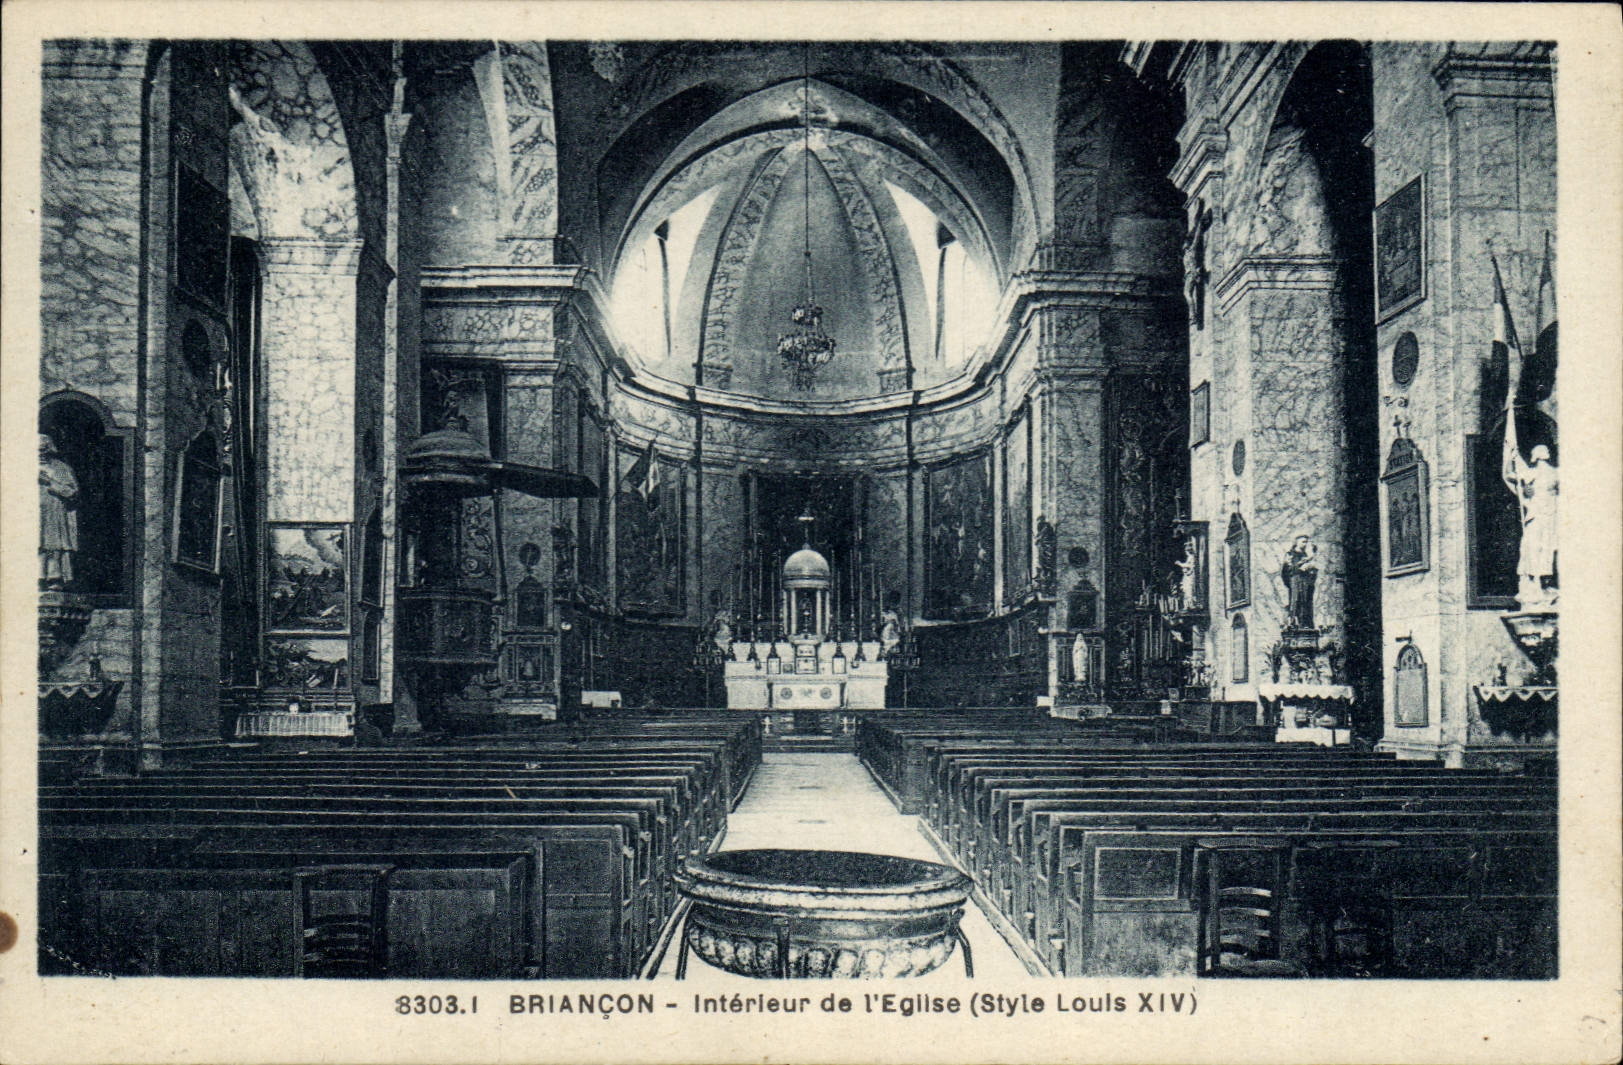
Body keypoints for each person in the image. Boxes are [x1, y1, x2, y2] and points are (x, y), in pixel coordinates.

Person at [39, 434, 79, 587]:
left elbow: (72, 493)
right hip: (31, 514)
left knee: (54, 546)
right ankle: (37, 577)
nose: (40, 454)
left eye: (43, 450)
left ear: (49, 449)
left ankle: (54, 578)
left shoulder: (61, 468)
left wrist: (50, 482)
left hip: (54, 512)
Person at [1281, 535, 1318, 631]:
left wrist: (1310, 571)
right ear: (1296, 542)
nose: (1305, 544)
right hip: (1295, 581)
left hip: (1305, 581)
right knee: (1296, 601)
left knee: (1305, 601)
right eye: (1303, 541)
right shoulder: (1290, 555)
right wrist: (1299, 569)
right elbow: (1286, 570)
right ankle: (1294, 622)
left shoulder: (1305, 555)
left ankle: (1304, 623)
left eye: (1306, 542)